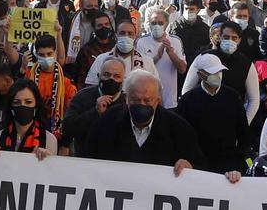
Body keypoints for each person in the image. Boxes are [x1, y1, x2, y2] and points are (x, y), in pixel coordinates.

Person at [80, 70, 221, 176]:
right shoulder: (107, 122)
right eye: (136, 100)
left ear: (158, 100)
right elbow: (87, 160)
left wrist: (189, 166)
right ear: (127, 99)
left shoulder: (178, 128)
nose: (141, 104)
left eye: (147, 101)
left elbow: (201, 167)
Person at [176, 53, 250, 173]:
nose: (217, 75)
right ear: (200, 74)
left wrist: (241, 162)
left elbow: (243, 134)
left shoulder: (233, 97)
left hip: (228, 165)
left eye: (219, 71)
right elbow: (181, 136)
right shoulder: (188, 100)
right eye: (212, 73)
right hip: (197, 165)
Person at [0, 77, 58, 157]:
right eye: (17, 102)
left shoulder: (49, 140)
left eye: (28, 102)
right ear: (11, 107)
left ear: (36, 105)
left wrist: (46, 158)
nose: (22, 106)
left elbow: (51, 168)